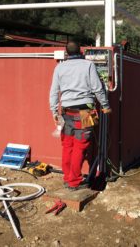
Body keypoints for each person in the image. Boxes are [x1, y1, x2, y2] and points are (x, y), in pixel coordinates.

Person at [49, 42, 111, 190]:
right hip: (85, 112)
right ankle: (74, 181)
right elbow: (98, 88)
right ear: (81, 51)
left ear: (66, 53)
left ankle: (68, 177)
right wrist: (106, 106)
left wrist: (54, 111)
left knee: (67, 145)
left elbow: (53, 91)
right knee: (80, 146)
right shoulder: (88, 65)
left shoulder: (59, 67)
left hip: (65, 112)